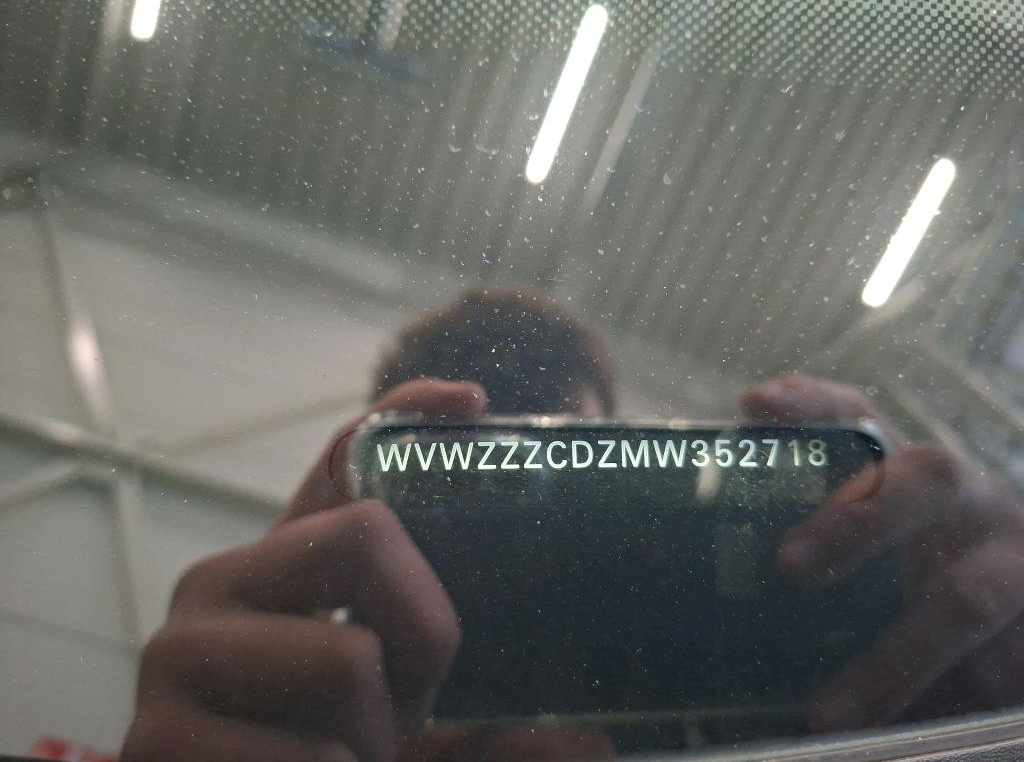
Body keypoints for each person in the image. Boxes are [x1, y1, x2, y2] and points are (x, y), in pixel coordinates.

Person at [121, 289, 1024, 762]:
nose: (536, 533)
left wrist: (970, 735)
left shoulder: (746, 705)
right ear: (375, 506)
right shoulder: (323, 714)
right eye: (480, 500)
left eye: (576, 467)